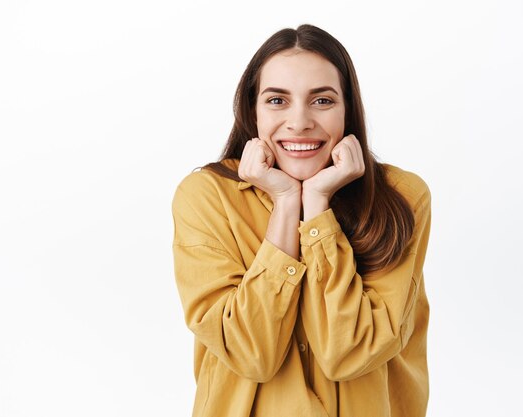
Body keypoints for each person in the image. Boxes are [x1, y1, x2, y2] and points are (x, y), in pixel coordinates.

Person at [172, 24, 430, 417]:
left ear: (348, 108)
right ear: (251, 110)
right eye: (277, 101)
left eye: (322, 101)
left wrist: (318, 206)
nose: (299, 121)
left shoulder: (403, 197)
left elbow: (351, 352)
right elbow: (251, 354)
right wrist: (287, 200)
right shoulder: (207, 197)